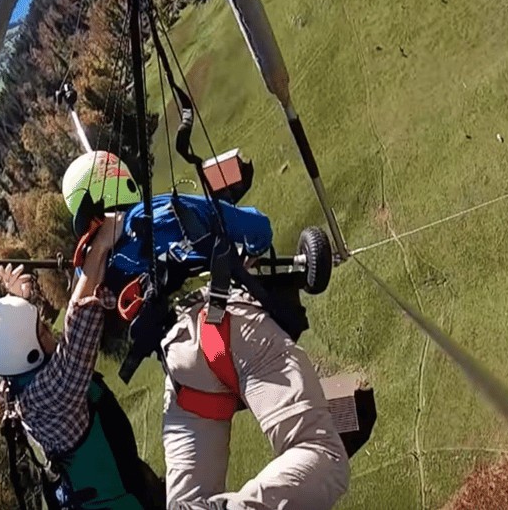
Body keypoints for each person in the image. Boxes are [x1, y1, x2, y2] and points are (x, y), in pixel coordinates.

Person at [61, 151, 350, 510]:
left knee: (188, 501)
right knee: (320, 453)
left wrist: (99, 248)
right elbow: (259, 230)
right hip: (232, 326)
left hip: (184, 368)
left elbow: (76, 326)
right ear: (124, 179)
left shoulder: (96, 264)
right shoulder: (168, 208)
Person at [0, 214, 165, 510]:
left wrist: (19, 303)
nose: (49, 327)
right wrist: (100, 246)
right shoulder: (54, 390)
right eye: (42, 330)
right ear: (30, 352)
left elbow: (7, 344)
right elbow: (80, 314)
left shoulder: (12, 381)